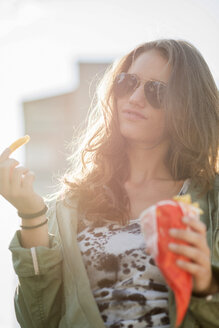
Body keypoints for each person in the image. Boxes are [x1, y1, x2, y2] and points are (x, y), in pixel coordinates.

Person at [0, 39, 219, 328]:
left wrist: (205, 286)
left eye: (156, 91)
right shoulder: (73, 206)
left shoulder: (212, 201)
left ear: (187, 107)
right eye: (128, 83)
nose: (136, 98)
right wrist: (31, 215)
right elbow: (37, 319)